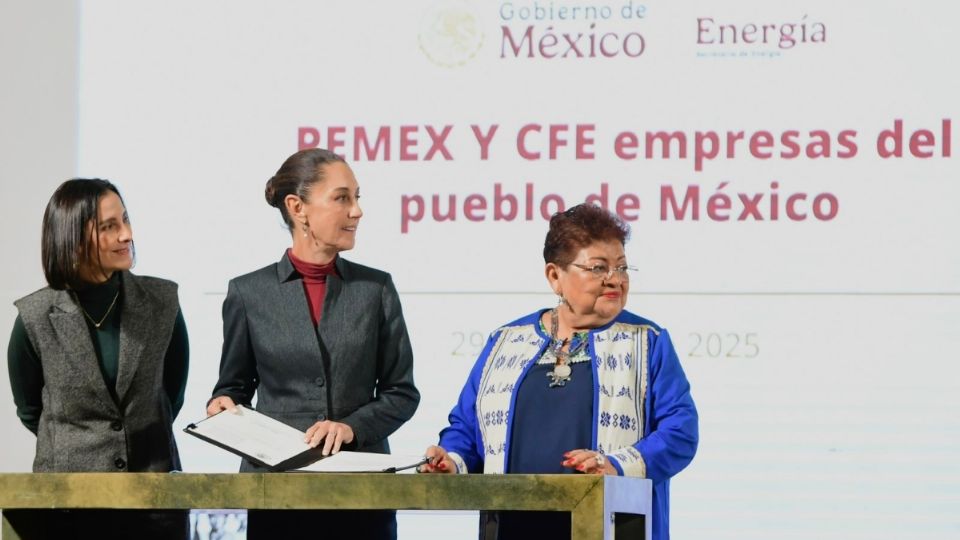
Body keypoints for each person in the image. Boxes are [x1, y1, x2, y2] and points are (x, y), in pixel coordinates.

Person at [420, 203, 698, 540]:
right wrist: (450, 461)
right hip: (513, 527)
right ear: (555, 276)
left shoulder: (648, 341)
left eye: (622, 268)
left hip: (610, 527)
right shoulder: (506, 341)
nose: (615, 280)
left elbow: (680, 433)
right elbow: (466, 429)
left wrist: (615, 465)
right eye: (598, 268)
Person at [207, 148, 420, 540]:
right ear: (297, 207)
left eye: (357, 197)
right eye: (342, 198)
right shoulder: (247, 292)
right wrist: (223, 404)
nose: (357, 211)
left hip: (362, 496)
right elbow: (233, 387)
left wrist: (353, 428)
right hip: (277, 494)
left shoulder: (376, 289)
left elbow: (401, 393)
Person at [6, 178, 189, 539]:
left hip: (153, 505)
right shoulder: (35, 316)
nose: (127, 234)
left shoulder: (162, 301)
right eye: (110, 226)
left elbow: (171, 395)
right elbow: (31, 410)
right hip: (65, 506)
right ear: (72, 237)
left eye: (125, 220)